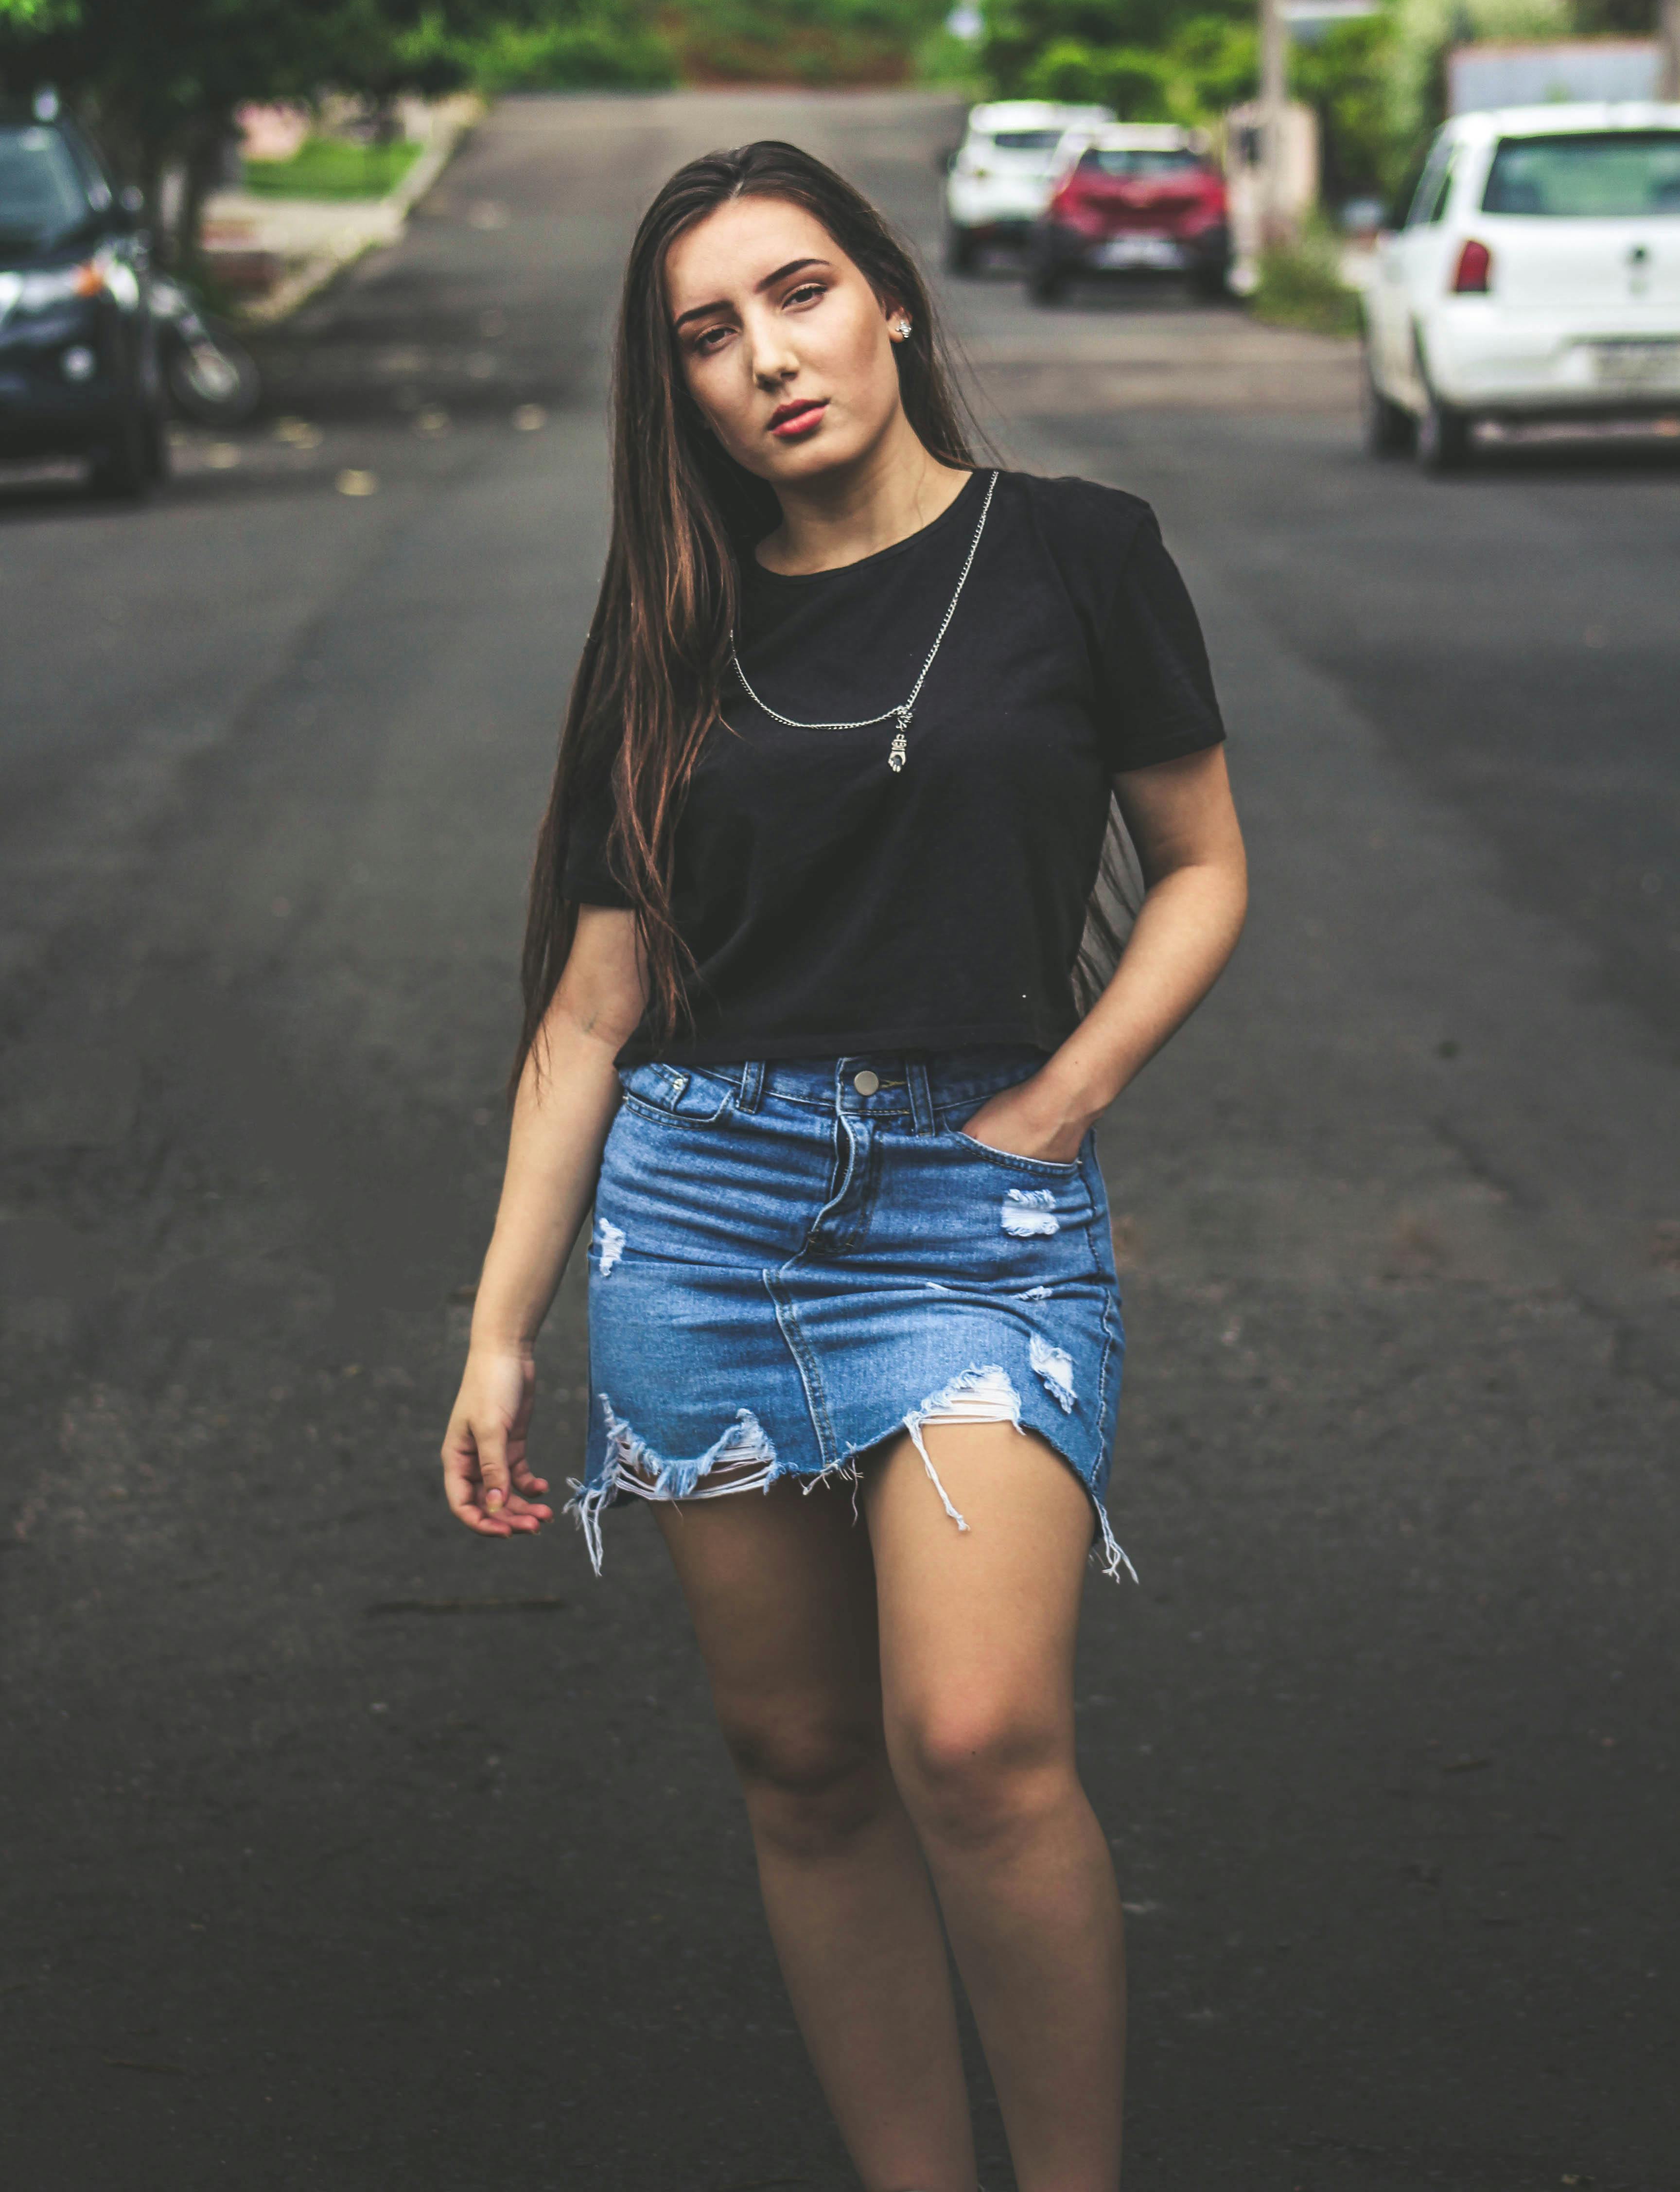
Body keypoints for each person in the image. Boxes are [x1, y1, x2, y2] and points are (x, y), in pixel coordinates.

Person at [440, 140, 1247, 2192]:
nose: (768, 359)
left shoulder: (1077, 553)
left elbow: (1204, 869)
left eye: (799, 294)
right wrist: (498, 1333)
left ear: (889, 293)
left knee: (974, 1742)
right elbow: (593, 1013)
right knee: (799, 1762)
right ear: (680, 388)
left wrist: (1068, 1097)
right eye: (707, 333)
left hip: (975, 1217)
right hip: (698, 1222)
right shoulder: (675, 622)